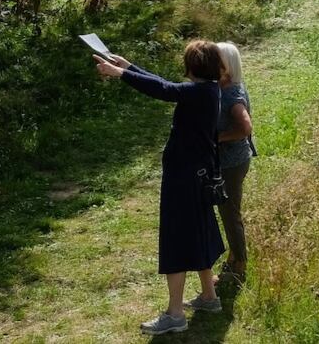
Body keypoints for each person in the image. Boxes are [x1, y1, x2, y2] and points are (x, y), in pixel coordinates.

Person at [92, 41, 227, 335]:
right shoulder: (208, 90)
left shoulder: (196, 93)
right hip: (198, 177)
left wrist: (119, 74)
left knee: (177, 239)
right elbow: (167, 86)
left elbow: (165, 90)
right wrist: (128, 66)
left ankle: (175, 314)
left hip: (184, 179)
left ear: (191, 66)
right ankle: (209, 297)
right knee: (200, 232)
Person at [214, 42, 256, 286]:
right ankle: (234, 257)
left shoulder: (232, 93)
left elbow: (244, 127)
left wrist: (216, 138)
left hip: (232, 162)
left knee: (230, 214)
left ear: (226, 65)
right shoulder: (227, 86)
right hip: (231, 161)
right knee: (227, 211)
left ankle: (239, 265)